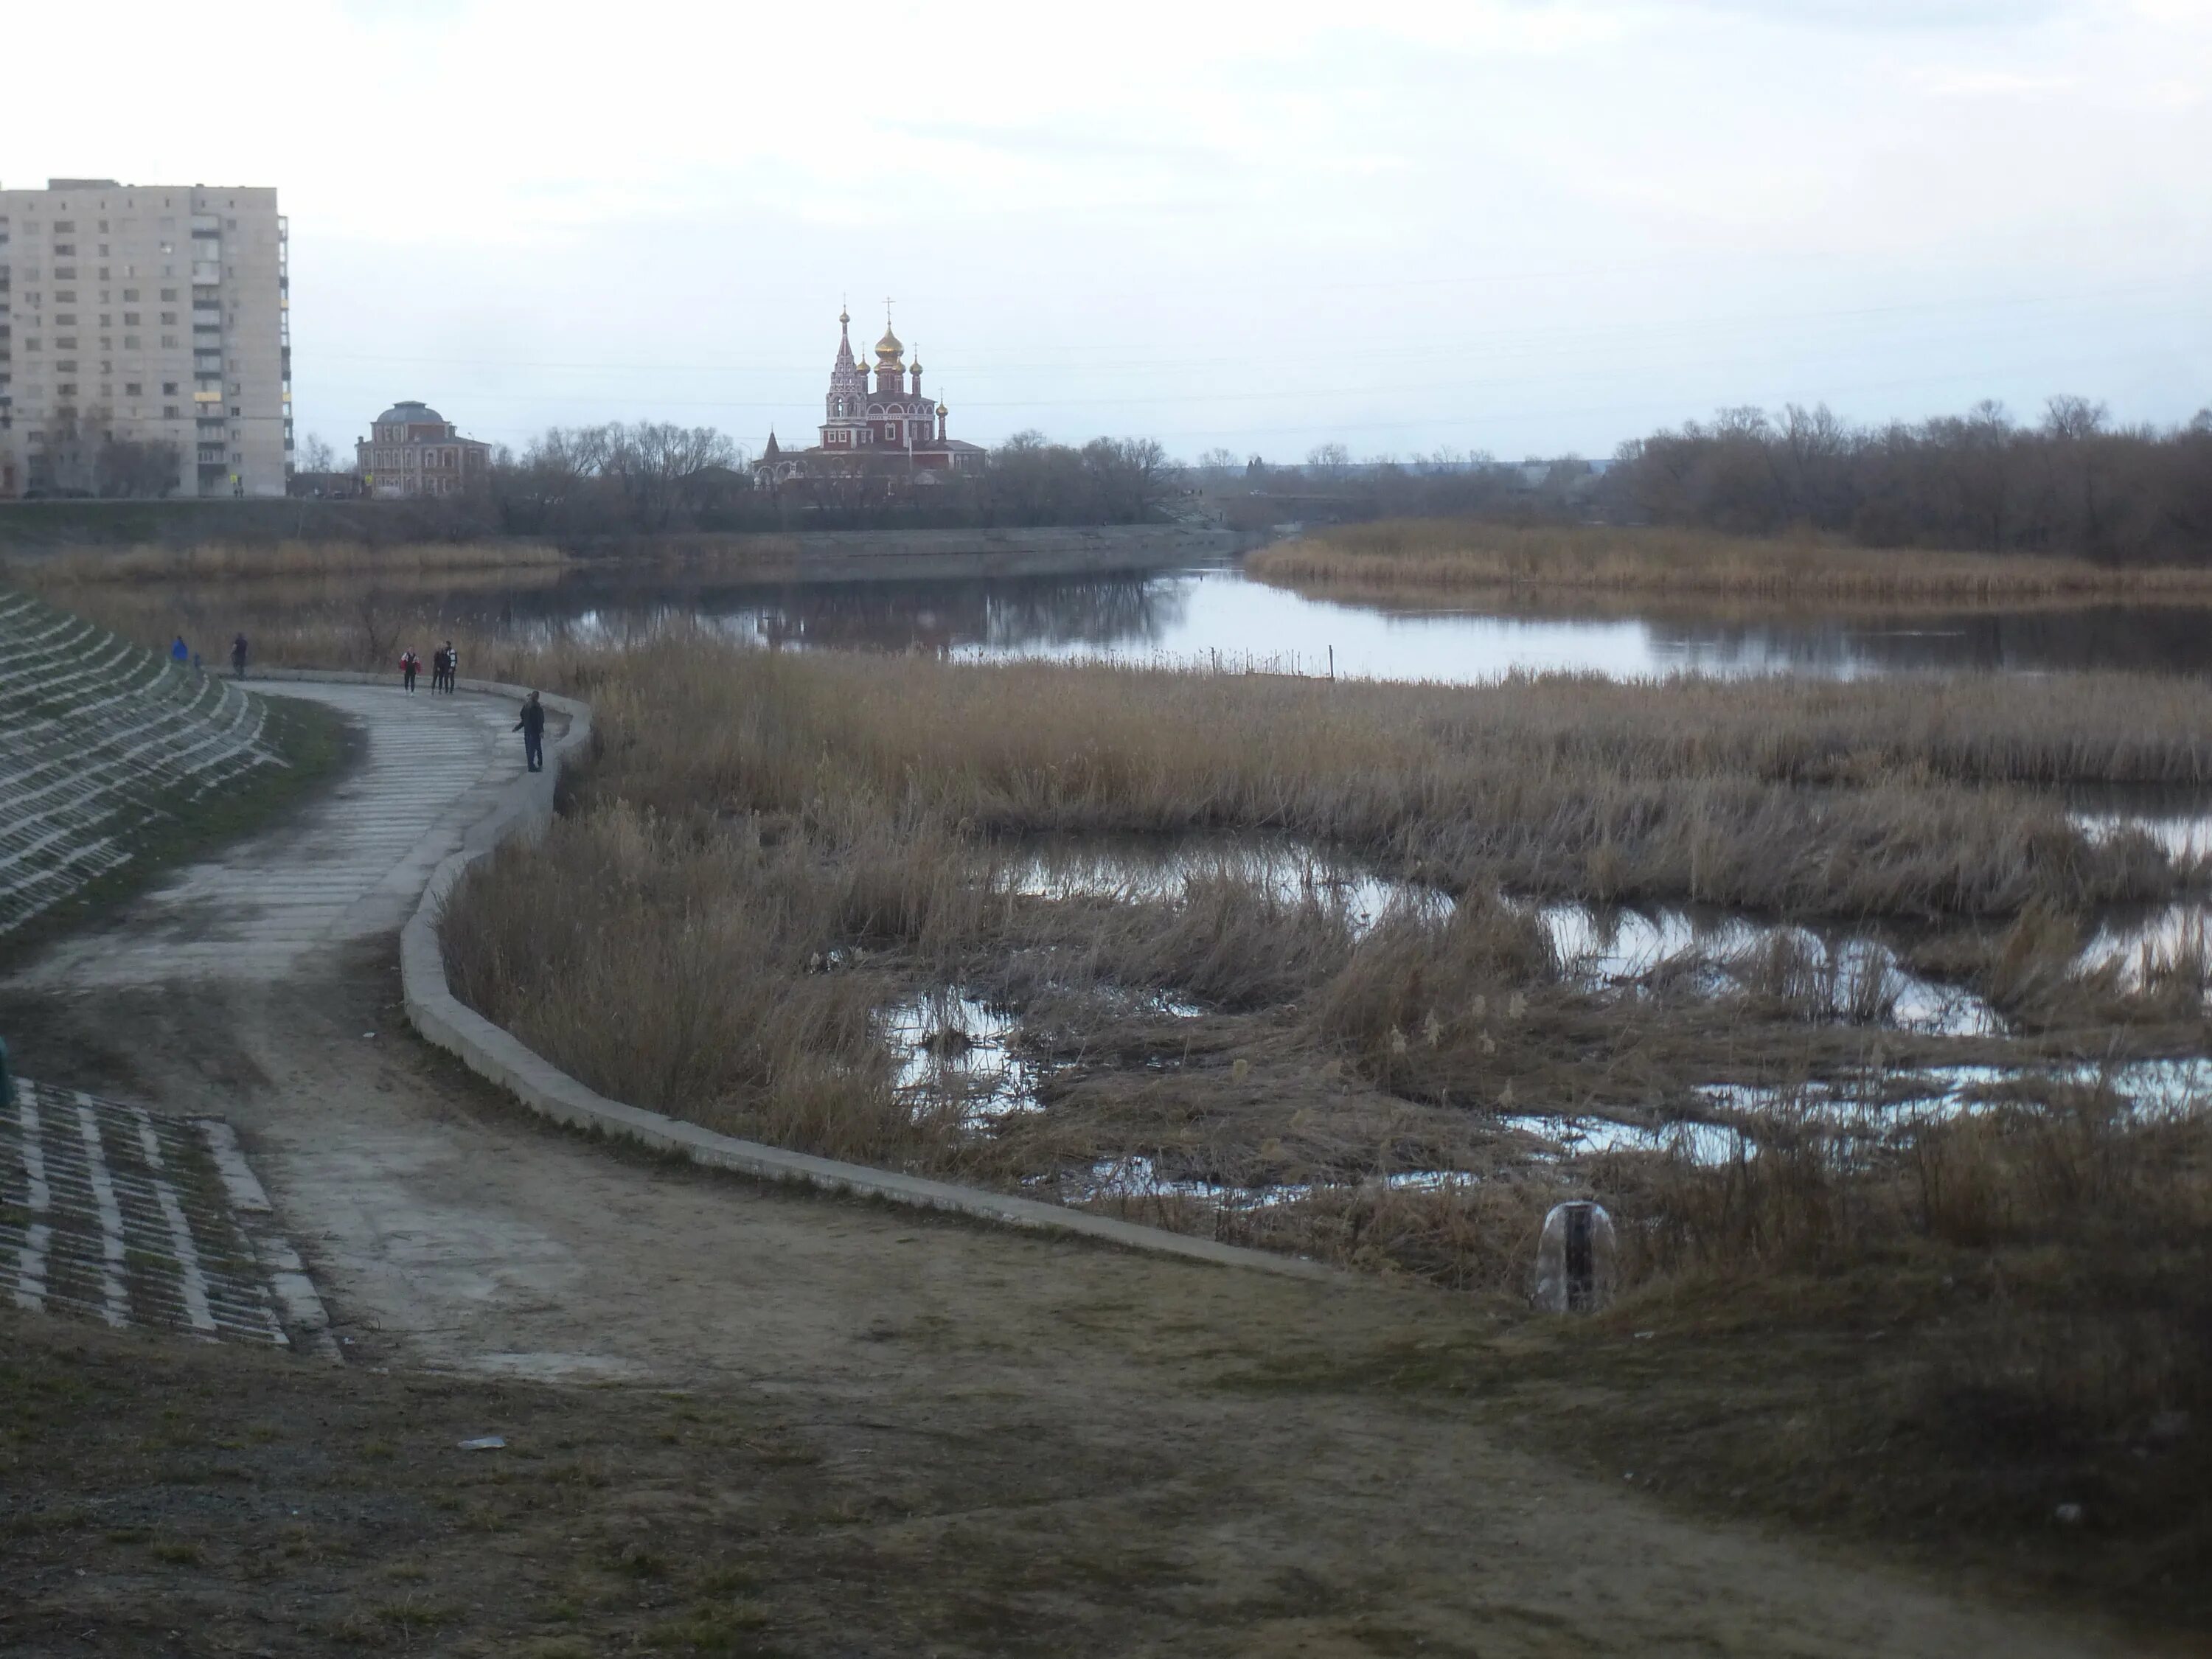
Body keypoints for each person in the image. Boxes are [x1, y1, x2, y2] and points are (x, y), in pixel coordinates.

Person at [515, 690, 546, 773]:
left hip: (527, 731)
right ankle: (536, 766)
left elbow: (523, 717)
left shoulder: (526, 706)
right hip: (535, 731)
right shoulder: (537, 707)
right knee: (537, 749)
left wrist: (517, 728)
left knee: (529, 750)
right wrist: (541, 731)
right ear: (537, 698)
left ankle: (531, 766)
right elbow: (540, 720)